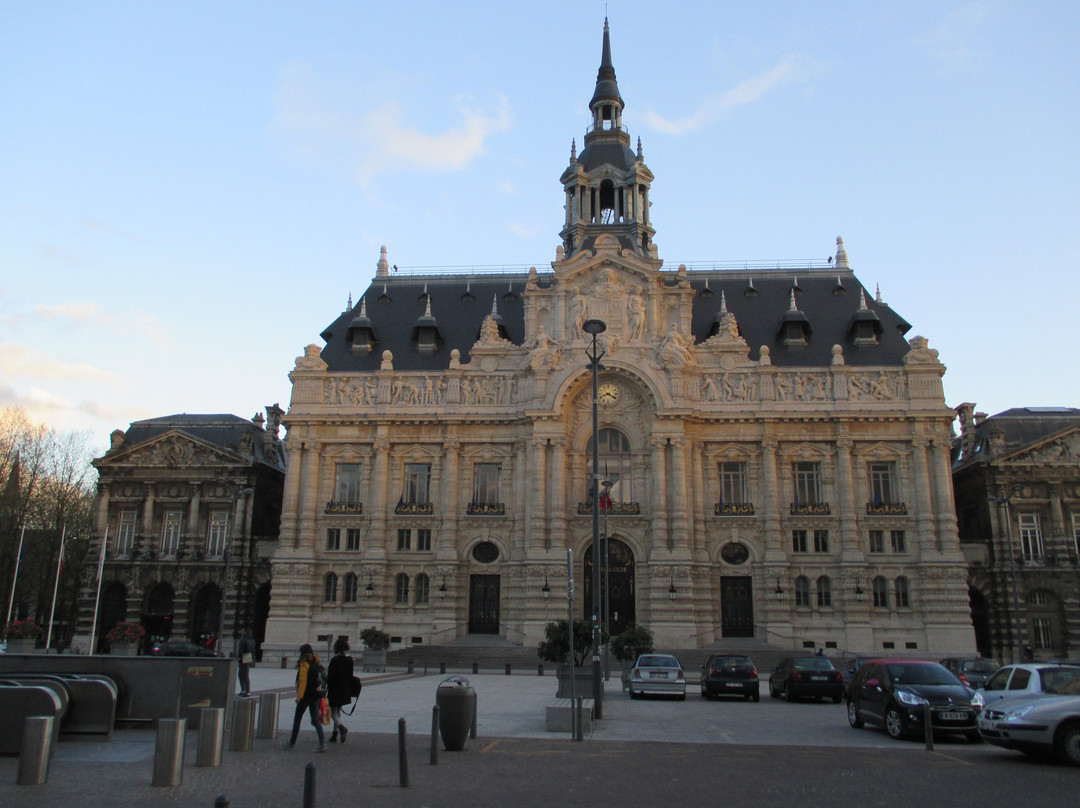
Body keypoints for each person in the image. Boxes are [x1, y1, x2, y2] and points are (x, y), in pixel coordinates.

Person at [281, 643, 327, 752]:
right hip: (316, 695)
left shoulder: (304, 665)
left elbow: (302, 682)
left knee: (297, 719)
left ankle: (291, 743)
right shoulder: (317, 662)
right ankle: (322, 742)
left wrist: (299, 697)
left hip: (306, 696)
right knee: (315, 720)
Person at [327, 637, 355, 743]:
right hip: (346, 689)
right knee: (338, 711)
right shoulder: (349, 659)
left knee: (333, 712)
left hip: (335, 689)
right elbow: (351, 675)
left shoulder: (335, 660)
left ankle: (341, 727)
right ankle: (334, 735)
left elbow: (331, 677)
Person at [236, 627, 256, 697]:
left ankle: (245, 691)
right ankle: (245, 690)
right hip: (249, 658)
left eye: (242, 631)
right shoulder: (252, 640)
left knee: (242, 675)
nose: (241, 632)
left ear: (245, 632)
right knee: (245, 675)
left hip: (244, 659)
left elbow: (241, 651)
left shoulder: (243, 640)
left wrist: (240, 659)